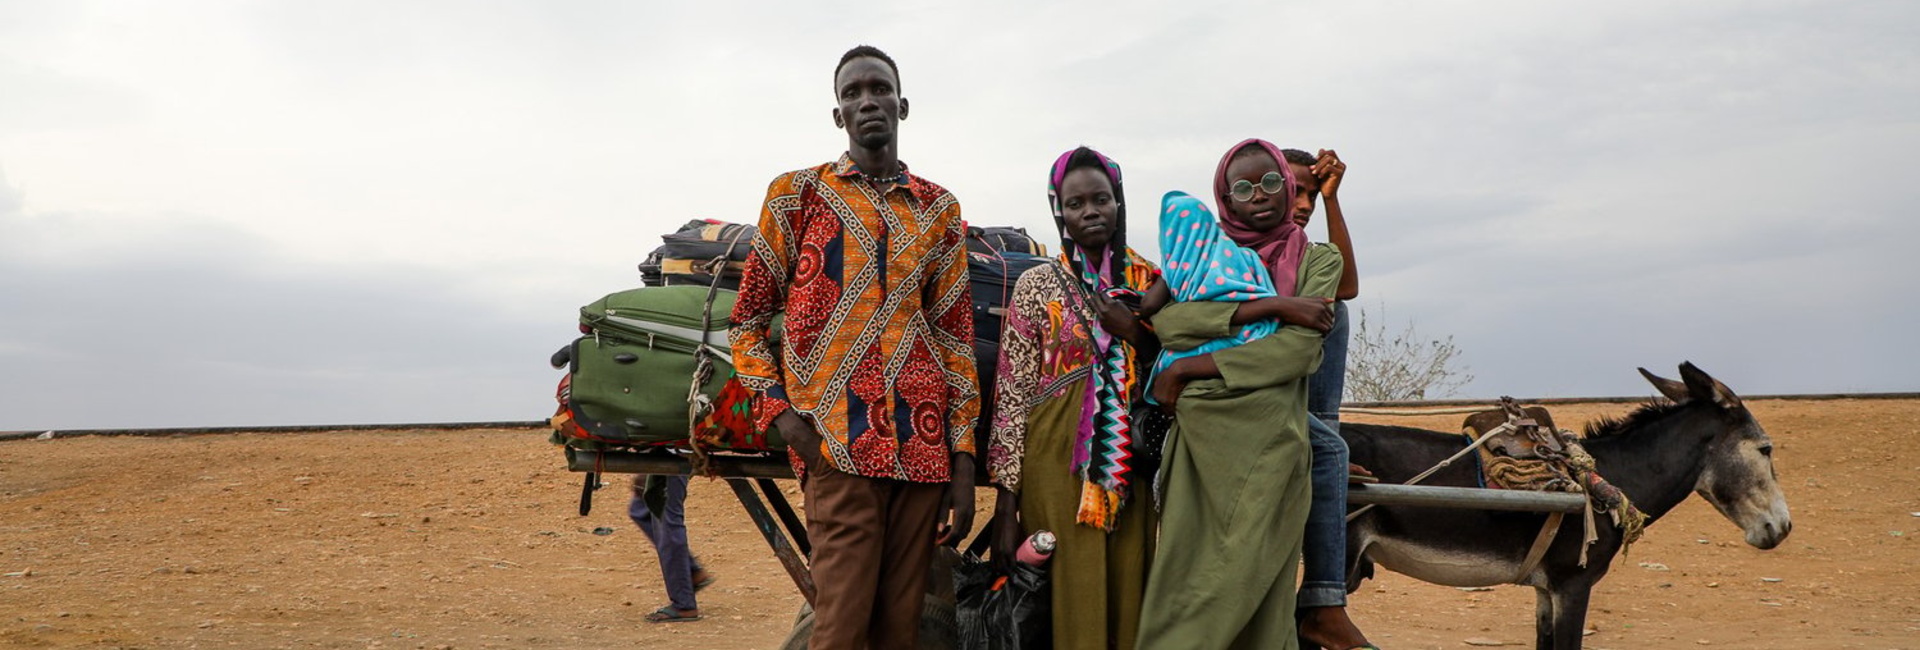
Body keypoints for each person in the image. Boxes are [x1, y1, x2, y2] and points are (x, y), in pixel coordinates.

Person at [729, 45, 978, 649]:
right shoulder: (796, 196)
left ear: (902, 105)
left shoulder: (939, 209)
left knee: (902, 631)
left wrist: (963, 460)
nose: (867, 100)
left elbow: (955, 340)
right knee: (839, 628)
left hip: (921, 449)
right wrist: (787, 422)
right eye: (852, 92)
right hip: (836, 445)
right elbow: (747, 323)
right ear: (838, 115)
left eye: (879, 88)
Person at [1136, 140, 1342, 649]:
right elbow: (1168, 322)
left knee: (1254, 590)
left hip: (1271, 440)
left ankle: (1326, 601)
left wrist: (1188, 365)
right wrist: (1274, 307)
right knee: (1185, 582)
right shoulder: (1205, 250)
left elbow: (1296, 353)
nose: (1261, 197)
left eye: (1272, 183)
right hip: (1200, 437)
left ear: (1290, 186)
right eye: (1243, 188)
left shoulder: (1319, 260)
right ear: (1225, 197)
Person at [986, 146, 1166, 649]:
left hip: (1131, 464)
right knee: (1064, 597)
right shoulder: (1037, 285)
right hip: (1053, 471)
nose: (1090, 211)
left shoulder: (1150, 282)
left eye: (1101, 199)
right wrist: (1006, 502)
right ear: (1058, 211)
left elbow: (1171, 370)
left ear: (1119, 203)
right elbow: (1012, 395)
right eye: (1076, 202)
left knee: (1129, 591)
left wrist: (1135, 331)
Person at [1279, 147, 1377, 650]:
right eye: (1294, 189)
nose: (1305, 203)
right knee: (1333, 455)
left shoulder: (1306, 254)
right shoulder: (1236, 249)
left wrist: (1336, 200)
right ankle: (1322, 603)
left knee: (1335, 311)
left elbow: (1349, 286)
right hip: (1243, 391)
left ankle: (1323, 435)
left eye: (1312, 193)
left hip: (1289, 400)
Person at [627, 475, 716, 623]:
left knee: (666, 520)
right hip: (668, 453)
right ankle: (691, 573)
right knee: (640, 508)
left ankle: (684, 605)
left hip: (677, 453)